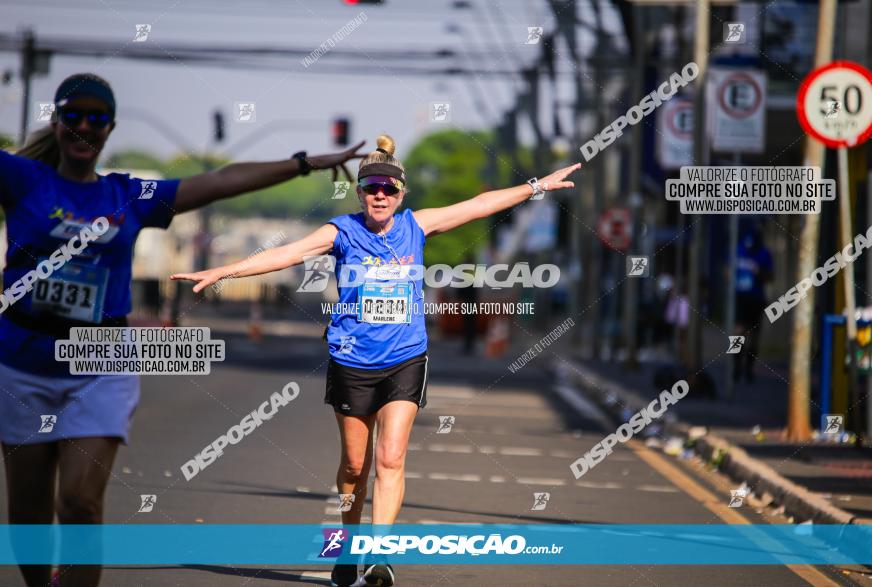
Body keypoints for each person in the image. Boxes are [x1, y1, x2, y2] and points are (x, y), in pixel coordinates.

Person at [0, 72, 365, 587]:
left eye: (97, 118)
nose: (85, 127)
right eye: (74, 116)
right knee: (30, 515)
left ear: (110, 129)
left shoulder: (128, 195)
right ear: (57, 123)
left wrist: (303, 163)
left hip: (99, 360)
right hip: (22, 361)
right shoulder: (21, 180)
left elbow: (217, 181)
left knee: (79, 501)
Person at [172, 134, 580, 587]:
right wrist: (224, 270)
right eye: (371, 188)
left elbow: (479, 204)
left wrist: (537, 186)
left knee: (391, 457)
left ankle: (380, 557)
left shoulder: (417, 226)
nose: (380, 195)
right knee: (353, 465)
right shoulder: (341, 232)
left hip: (406, 357)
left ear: (401, 193)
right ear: (360, 193)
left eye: (388, 188)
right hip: (351, 361)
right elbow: (286, 253)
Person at [733, 228, 773, 383]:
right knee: (738, 331)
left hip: (756, 298)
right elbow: (727, 270)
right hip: (740, 297)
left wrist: (759, 272)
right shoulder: (739, 250)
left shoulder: (764, 253)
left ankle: (749, 369)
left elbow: (770, 276)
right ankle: (736, 366)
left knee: (754, 335)